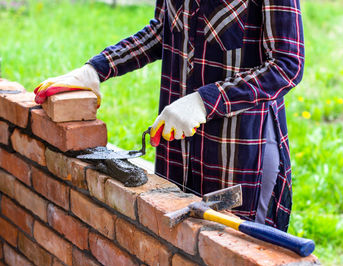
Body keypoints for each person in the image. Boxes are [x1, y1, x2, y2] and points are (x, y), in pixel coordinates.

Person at [35, 0, 304, 231]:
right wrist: (96, 70)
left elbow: (285, 65)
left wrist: (205, 102)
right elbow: (161, 32)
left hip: (238, 156)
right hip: (178, 149)